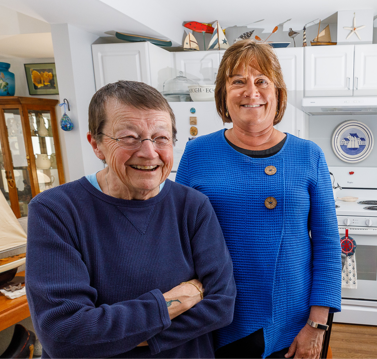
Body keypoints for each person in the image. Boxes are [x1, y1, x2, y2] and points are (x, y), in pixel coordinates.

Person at [25, 81, 236, 359]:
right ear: (96, 145)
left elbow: (221, 307)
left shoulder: (192, 206)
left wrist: (115, 336)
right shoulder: (55, 211)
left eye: (161, 138)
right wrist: (174, 302)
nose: (149, 152)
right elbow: (65, 335)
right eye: (129, 137)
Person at [176, 40, 341, 359]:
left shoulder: (308, 155)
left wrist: (317, 325)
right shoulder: (197, 153)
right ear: (224, 94)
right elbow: (177, 238)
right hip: (220, 317)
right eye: (238, 81)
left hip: (294, 321)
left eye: (261, 81)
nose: (251, 91)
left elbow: (327, 245)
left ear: (278, 93)